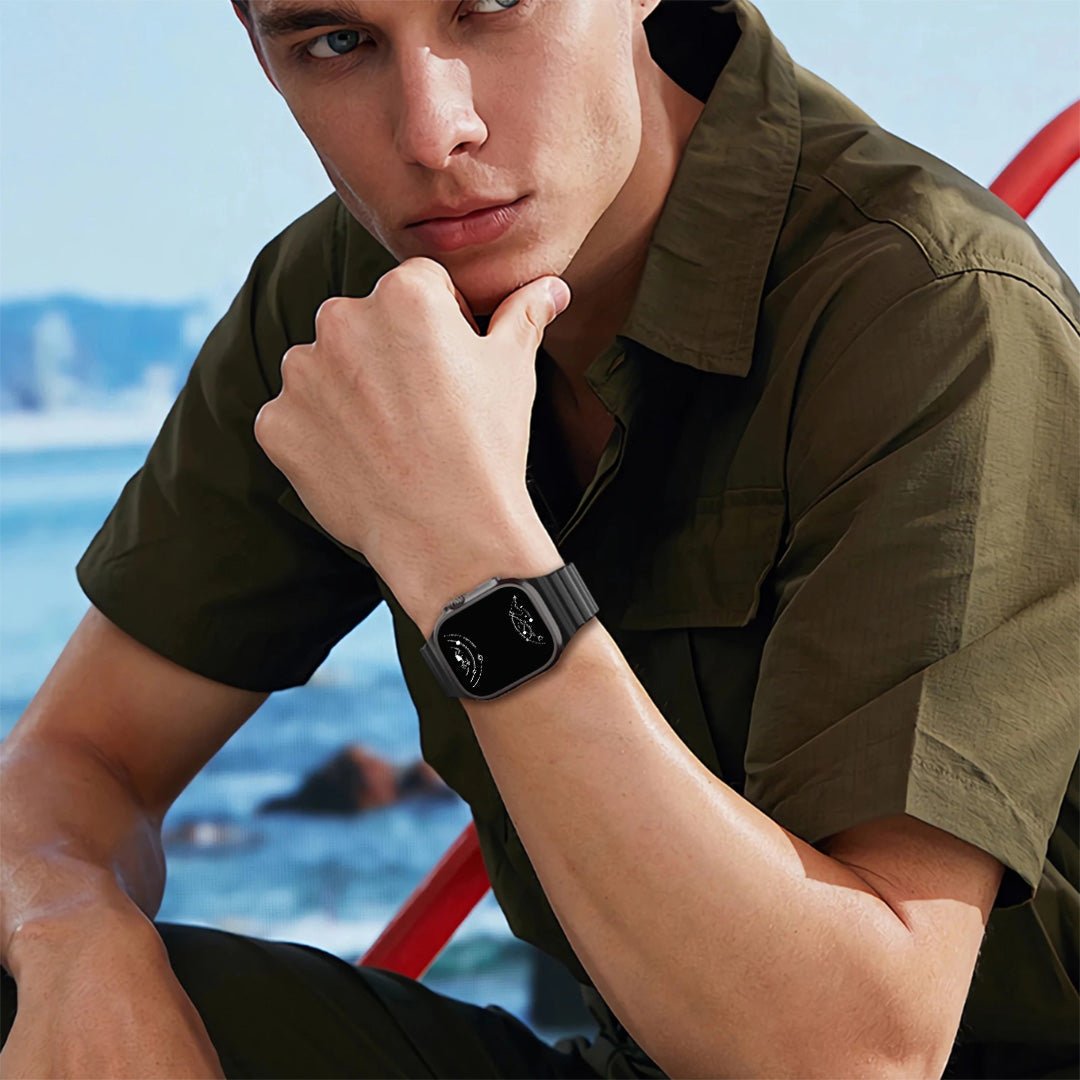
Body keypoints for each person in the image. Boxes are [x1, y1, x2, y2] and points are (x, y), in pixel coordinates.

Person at [1, 0, 1076, 1076]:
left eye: (494, 7)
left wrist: (468, 553)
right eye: (335, 43)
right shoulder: (345, 301)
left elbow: (856, 1056)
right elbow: (74, 759)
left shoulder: (937, 306)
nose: (435, 133)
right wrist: (69, 940)